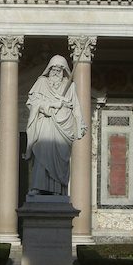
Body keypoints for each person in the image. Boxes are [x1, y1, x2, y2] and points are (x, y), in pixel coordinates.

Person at [24, 55, 86, 196]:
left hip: (64, 127)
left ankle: (59, 189)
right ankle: (36, 187)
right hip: (45, 124)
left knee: (61, 158)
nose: (56, 72)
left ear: (64, 70)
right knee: (41, 154)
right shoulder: (41, 82)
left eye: (60, 69)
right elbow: (33, 103)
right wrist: (51, 104)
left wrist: (81, 122)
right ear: (49, 69)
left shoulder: (70, 85)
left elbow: (76, 107)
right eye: (54, 69)